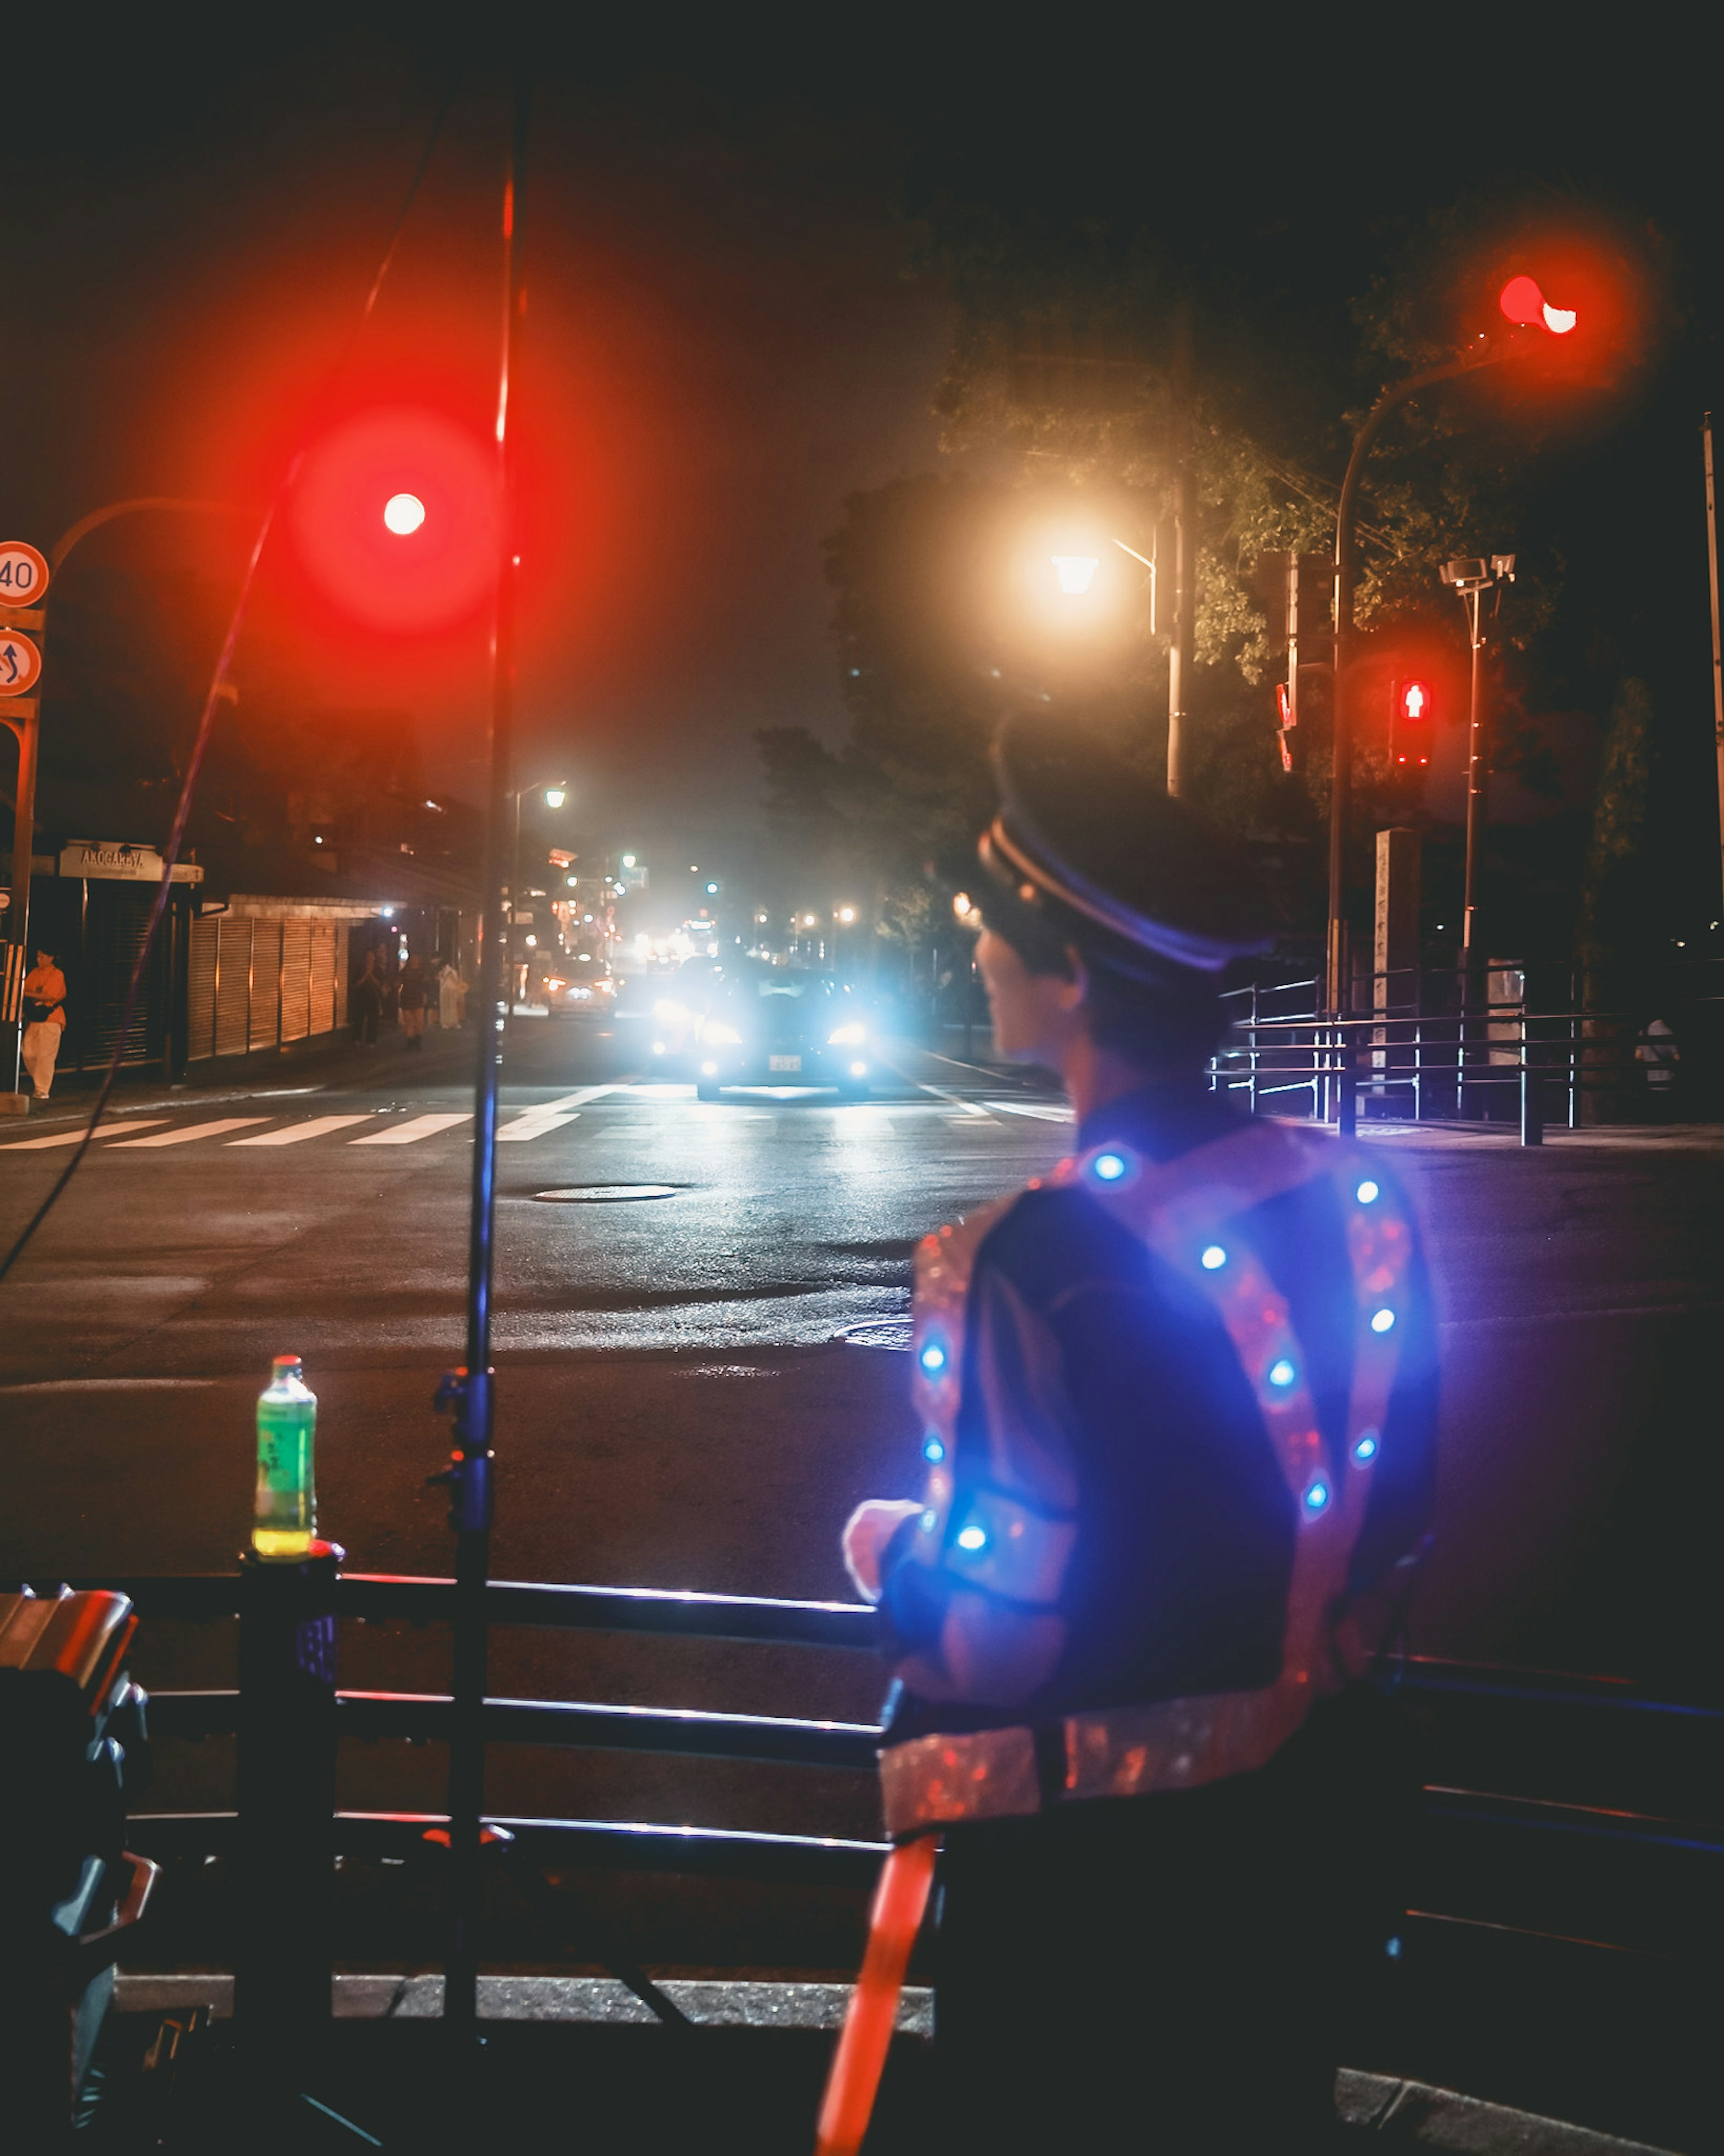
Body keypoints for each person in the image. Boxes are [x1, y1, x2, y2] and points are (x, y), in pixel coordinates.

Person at [841, 713, 1439, 2153]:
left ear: (1069, 975)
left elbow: (995, 1636)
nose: (972, 946)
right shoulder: (1358, 1197)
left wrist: (901, 1559)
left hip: (1088, 1894)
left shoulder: (1021, 1259)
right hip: (1301, 1842)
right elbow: (1392, 1504)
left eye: (994, 926)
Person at [21, 946, 67, 1102]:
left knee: (45, 1056)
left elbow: (50, 995)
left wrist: (26, 993)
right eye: (38, 956)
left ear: (51, 958)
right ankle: (40, 1082)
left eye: (42, 957)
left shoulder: (57, 974)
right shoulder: (34, 973)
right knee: (28, 1053)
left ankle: (42, 1090)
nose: (39, 959)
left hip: (52, 1018)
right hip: (35, 1018)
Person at [350, 948, 384, 1048]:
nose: (370, 958)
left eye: (372, 956)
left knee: (373, 1020)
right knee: (359, 1018)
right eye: (368, 956)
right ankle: (356, 1039)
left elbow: (379, 985)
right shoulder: (360, 969)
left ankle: (371, 1040)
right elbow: (356, 984)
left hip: (373, 998)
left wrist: (371, 975)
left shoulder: (378, 969)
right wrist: (366, 975)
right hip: (361, 997)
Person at [397, 956, 428, 1049]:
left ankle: (416, 1040)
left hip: (416, 998)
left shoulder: (421, 972)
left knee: (418, 1021)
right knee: (410, 1021)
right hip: (409, 999)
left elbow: (427, 984)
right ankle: (411, 1040)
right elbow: (398, 981)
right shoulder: (407, 972)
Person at [439, 957, 468, 1031]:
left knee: (448, 1007)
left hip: (446, 991)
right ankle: (451, 1022)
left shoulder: (445, 972)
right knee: (451, 1007)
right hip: (451, 991)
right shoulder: (452, 972)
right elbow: (456, 981)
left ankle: (447, 1022)